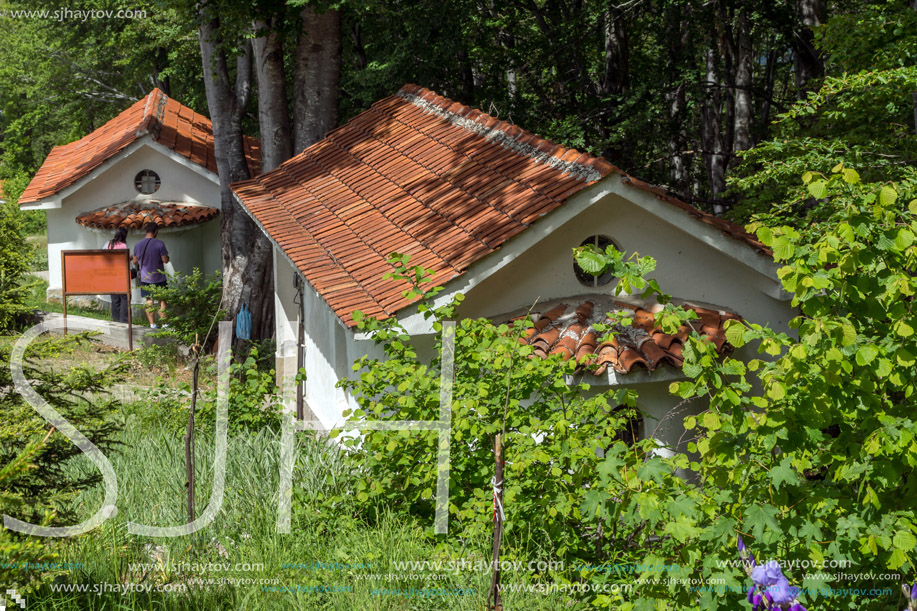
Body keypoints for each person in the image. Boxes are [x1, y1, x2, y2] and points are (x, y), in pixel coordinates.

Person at [132, 222, 170, 329]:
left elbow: (135, 261)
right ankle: (165, 324)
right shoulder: (159, 244)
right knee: (162, 300)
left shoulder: (138, 244)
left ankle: (152, 324)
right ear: (156, 231)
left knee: (149, 300)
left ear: (146, 231)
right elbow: (165, 260)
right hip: (159, 277)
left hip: (145, 278)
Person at [105, 226, 130, 323]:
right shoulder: (123, 246)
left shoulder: (109, 244)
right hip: (121, 275)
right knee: (124, 298)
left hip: (111, 275)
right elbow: (125, 261)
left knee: (114, 299)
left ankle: (116, 320)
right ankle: (124, 320)